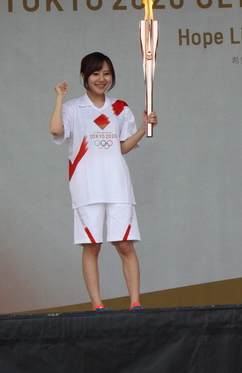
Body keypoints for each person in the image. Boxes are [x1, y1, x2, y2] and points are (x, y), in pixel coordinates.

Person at [51, 52, 158, 310]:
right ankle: (97, 305)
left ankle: (135, 303)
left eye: (107, 73)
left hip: (118, 184)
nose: (102, 79)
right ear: (84, 77)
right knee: (92, 246)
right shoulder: (73, 108)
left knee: (125, 244)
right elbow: (56, 130)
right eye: (96, 73)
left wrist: (143, 127)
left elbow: (122, 147)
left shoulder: (120, 108)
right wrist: (59, 98)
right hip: (86, 186)